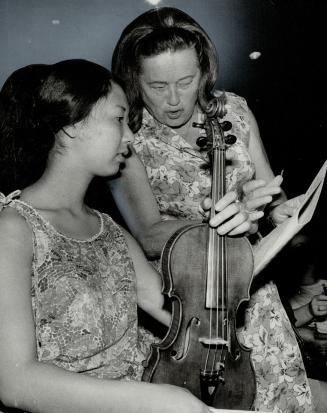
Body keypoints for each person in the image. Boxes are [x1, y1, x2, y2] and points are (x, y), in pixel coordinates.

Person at [108, 6, 325, 412]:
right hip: (187, 308)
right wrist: (215, 220)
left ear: (204, 72)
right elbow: (148, 232)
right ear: (134, 80)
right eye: (157, 86)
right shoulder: (128, 133)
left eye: (185, 81)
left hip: (250, 295)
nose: (173, 100)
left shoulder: (235, 110)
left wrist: (277, 212)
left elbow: (267, 194)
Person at [0, 60, 215, 413]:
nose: (130, 138)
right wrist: (160, 401)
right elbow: (15, 381)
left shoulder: (111, 232)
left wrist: (234, 234)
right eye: (118, 120)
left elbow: (186, 318)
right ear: (71, 126)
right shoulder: (13, 229)